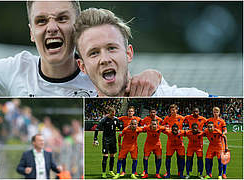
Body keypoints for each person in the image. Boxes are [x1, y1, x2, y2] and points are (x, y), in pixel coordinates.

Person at [0, 1, 162, 97]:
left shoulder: (100, 70)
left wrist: (154, 76)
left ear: (77, 26)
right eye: (41, 21)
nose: (51, 28)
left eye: (61, 18)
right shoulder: (13, 70)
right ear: (31, 32)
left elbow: (143, 85)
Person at [74, 8, 209, 97]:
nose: (105, 59)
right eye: (94, 53)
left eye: (111, 48)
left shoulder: (173, 96)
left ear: (129, 54)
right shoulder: (80, 104)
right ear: (82, 66)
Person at [93, 107, 123, 178]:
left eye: (114, 114)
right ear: (108, 113)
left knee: (112, 156)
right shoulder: (104, 120)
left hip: (113, 140)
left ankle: (111, 171)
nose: (113, 116)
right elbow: (97, 129)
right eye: (111, 114)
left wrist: (122, 131)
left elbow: (120, 127)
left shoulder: (116, 119)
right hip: (106, 140)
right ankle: (103, 173)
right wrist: (95, 139)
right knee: (105, 156)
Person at [162, 104, 185, 177]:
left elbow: (190, 124)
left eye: (174, 109)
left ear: (177, 110)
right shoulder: (167, 118)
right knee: (168, 157)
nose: (173, 111)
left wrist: (181, 131)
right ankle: (168, 172)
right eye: (171, 110)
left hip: (179, 141)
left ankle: (180, 173)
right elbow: (162, 127)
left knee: (181, 157)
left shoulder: (181, 118)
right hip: (170, 141)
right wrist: (168, 130)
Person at [117, 106, 141, 176]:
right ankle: (123, 171)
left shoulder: (137, 119)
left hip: (133, 141)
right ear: (127, 112)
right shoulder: (123, 118)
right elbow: (116, 119)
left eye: (131, 111)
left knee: (134, 158)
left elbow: (144, 124)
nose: (130, 112)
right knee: (123, 157)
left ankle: (134, 172)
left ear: (134, 112)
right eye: (129, 111)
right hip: (125, 140)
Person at [183, 107, 207, 176]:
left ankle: (200, 173)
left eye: (197, 111)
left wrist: (203, 131)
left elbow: (210, 124)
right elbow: (181, 120)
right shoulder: (188, 117)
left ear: (199, 112)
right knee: (189, 158)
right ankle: (188, 173)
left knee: (200, 159)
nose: (195, 113)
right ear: (192, 112)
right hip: (191, 143)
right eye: (194, 111)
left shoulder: (203, 119)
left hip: (199, 144)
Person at [206, 107, 227, 179]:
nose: (215, 113)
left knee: (222, 159)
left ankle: (222, 174)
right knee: (208, 159)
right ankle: (209, 174)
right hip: (212, 143)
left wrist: (222, 133)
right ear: (212, 112)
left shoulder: (222, 121)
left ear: (219, 113)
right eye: (214, 112)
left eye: (217, 112)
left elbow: (225, 131)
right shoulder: (209, 120)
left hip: (220, 143)